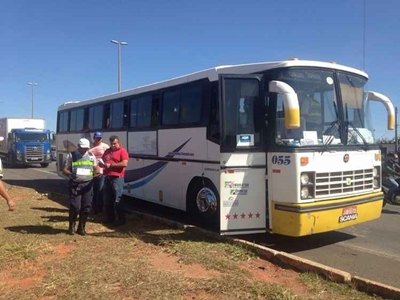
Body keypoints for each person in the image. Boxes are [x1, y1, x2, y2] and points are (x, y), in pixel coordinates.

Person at [62, 138, 96, 235]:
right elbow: (64, 170)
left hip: (88, 185)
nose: (84, 150)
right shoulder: (71, 155)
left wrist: (97, 172)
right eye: (82, 148)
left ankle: (81, 228)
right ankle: (71, 226)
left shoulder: (91, 156)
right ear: (78, 146)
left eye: (86, 148)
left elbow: (95, 168)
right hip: (75, 184)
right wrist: (70, 174)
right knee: (75, 206)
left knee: (86, 207)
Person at [100, 135, 129, 226]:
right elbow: (103, 161)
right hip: (107, 177)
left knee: (118, 199)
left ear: (118, 143)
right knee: (108, 199)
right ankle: (110, 218)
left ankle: (121, 219)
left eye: (115, 143)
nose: (113, 145)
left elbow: (124, 163)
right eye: (111, 144)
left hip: (117, 178)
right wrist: (102, 165)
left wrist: (111, 166)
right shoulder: (107, 151)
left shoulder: (122, 151)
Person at [89, 131, 109, 215]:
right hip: (90, 172)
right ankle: (93, 208)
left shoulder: (105, 146)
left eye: (99, 138)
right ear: (94, 138)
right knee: (91, 191)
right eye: (96, 138)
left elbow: (108, 157)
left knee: (100, 190)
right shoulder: (90, 146)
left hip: (101, 172)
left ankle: (99, 209)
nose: (98, 140)